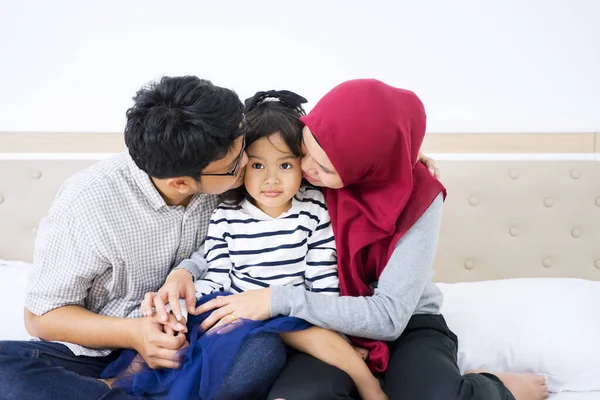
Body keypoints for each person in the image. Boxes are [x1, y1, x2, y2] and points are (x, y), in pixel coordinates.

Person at [0, 75, 437, 400]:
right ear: (181, 182)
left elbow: (319, 139)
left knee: (258, 352)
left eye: (244, 145)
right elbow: (41, 317)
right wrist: (136, 334)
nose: (252, 164)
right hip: (100, 348)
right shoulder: (90, 203)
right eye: (240, 163)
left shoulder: (224, 153)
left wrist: (403, 153)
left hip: (213, 331)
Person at [150, 79, 549, 400]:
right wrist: (184, 270)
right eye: (303, 153)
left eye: (319, 165)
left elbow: (390, 317)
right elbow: (268, 136)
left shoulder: (419, 197)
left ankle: (486, 385)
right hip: (320, 326)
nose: (303, 169)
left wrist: (277, 299)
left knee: (428, 395)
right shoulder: (306, 169)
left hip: (403, 322)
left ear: (367, 166)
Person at [102, 91, 386, 400]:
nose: (272, 180)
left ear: (302, 164)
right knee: (185, 333)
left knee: (301, 333)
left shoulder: (314, 210)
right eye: (258, 166)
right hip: (238, 309)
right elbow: (217, 273)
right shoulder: (226, 215)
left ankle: (367, 383)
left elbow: (322, 282)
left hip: (293, 308)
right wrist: (188, 307)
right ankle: (124, 379)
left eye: (285, 166)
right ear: (242, 166)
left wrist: (336, 333)